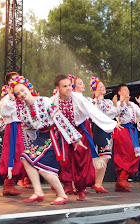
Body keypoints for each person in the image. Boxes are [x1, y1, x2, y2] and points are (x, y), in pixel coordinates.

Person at [10, 76, 85, 205]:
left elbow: (59, 118)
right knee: (26, 158)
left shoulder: (44, 101)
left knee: (44, 169)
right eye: (18, 94)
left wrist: (75, 138)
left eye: (23, 90)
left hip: (53, 136)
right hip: (42, 137)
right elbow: (28, 131)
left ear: (28, 88)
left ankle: (62, 195)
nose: (21, 94)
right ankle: (38, 192)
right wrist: (30, 146)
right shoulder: (23, 111)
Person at [51, 75, 118, 201]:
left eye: (70, 85)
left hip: (80, 129)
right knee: (64, 159)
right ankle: (66, 184)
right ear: (57, 88)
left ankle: (80, 189)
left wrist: (112, 124)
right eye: (65, 86)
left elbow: (94, 112)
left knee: (80, 159)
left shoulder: (77, 98)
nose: (69, 88)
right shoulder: (53, 101)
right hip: (64, 131)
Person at [113, 84, 140, 192]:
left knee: (133, 154)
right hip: (122, 130)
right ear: (119, 92)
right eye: (124, 90)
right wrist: (123, 102)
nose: (127, 91)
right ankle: (122, 179)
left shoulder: (133, 105)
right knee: (125, 154)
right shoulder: (118, 104)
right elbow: (117, 113)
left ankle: (121, 181)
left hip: (131, 131)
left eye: (127, 89)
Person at [0, 72, 27, 196]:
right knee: (13, 154)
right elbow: (4, 113)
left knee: (22, 155)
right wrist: (10, 97)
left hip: (23, 128)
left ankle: (14, 182)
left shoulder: (22, 97)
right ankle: (8, 184)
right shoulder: (7, 98)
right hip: (14, 127)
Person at [88, 77, 119, 193]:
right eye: (100, 86)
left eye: (103, 86)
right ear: (94, 89)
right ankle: (96, 182)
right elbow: (97, 113)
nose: (103, 88)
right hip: (99, 128)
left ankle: (97, 182)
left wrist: (115, 105)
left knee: (105, 156)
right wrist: (98, 100)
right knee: (104, 155)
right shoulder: (92, 102)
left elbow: (113, 113)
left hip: (107, 129)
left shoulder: (109, 102)